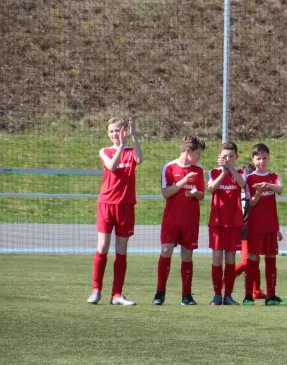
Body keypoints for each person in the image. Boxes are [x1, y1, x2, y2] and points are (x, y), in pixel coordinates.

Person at [87, 117, 143, 305]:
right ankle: (96, 290)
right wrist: (121, 146)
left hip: (126, 205)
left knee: (121, 250)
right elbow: (111, 166)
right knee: (102, 247)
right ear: (107, 133)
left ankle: (116, 294)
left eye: (118, 130)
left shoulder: (131, 150)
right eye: (111, 131)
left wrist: (134, 137)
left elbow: (140, 159)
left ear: (124, 131)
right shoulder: (105, 151)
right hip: (106, 204)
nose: (114, 134)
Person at [153, 136, 205, 306]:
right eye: (198, 153)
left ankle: (186, 295)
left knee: (187, 255)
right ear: (188, 150)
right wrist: (183, 182)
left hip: (190, 220)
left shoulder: (199, 170)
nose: (199, 157)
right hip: (171, 219)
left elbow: (202, 195)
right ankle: (160, 292)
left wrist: (195, 193)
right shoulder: (169, 167)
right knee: (166, 250)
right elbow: (166, 193)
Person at [243, 143, 285, 306]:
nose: (262, 161)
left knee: (271, 259)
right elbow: (252, 203)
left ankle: (271, 296)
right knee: (253, 259)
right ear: (253, 160)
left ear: (269, 158)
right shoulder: (250, 178)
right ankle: (248, 295)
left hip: (271, 226)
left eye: (264, 158)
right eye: (258, 158)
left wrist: (267, 185)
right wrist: (260, 192)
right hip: (255, 226)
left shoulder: (273, 176)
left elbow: (280, 189)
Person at [207, 142, 246, 306]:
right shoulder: (214, 172)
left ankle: (228, 295)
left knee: (230, 259)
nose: (228, 159)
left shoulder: (240, 172)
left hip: (234, 222)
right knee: (217, 258)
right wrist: (223, 173)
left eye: (231, 156)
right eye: (224, 156)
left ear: (236, 157)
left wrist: (231, 169)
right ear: (219, 157)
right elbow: (210, 189)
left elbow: (243, 184)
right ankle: (217, 295)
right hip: (217, 222)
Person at [232, 163, 267, 300]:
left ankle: (256, 290)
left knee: (255, 259)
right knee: (248, 261)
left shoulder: (254, 191)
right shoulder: (241, 190)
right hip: (244, 228)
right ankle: (226, 277)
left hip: (254, 227)